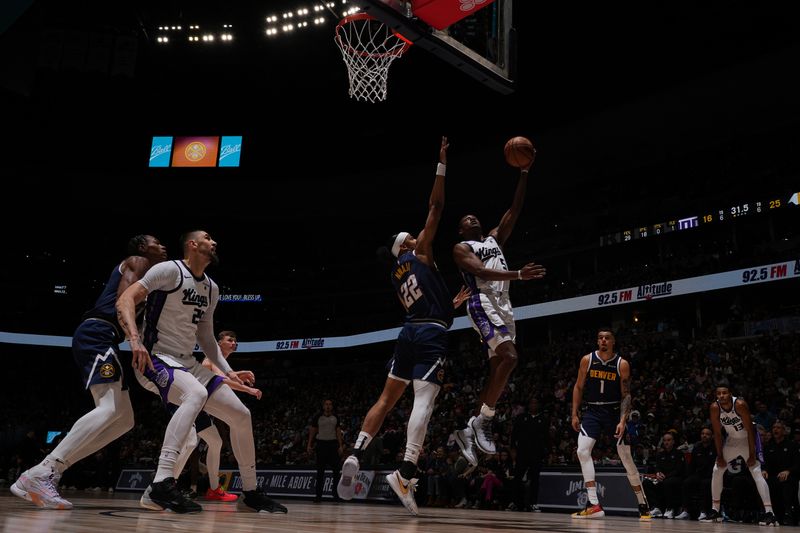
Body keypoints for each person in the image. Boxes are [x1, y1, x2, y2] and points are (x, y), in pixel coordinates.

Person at [336, 136, 468, 515]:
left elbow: (420, 302)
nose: (418, 234)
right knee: (424, 399)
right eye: (411, 236)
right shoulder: (421, 252)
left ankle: (357, 452)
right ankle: (406, 470)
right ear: (407, 245)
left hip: (410, 330)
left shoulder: (397, 273)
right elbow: (436, 206)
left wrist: (447, 305)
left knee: (386, 399)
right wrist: (441, 164)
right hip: (429, 333)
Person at [116, 230, 287, 514]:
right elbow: (126, 299)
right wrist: (134, 340)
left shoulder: (211, 288)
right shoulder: (169, 270)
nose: (214, 242)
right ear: (192, 245)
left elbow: (206, 338)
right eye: (208, 238)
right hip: (155, 358)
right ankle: (161, 482)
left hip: (187, 363)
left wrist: (229, 372)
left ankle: (252, 492)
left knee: (241, 415)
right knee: (194, 395)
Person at [11, 235, 167, 510]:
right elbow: (123, 303)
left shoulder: (150, 278)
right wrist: (135, 338)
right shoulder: (138, 261)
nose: (163, 246)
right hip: (98, 333)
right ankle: (42, 471)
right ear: (143, 247)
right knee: (108, 408)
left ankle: (50, 472)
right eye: (156, 242)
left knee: (124, 419)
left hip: (105, 337)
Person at [450, 153, 545, 463]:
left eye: (474, 217)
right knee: (511, 357)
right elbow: (481, 273)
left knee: (496, 373)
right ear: (461, 231)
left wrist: (525, 173)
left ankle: (469, 430)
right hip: (482, 301)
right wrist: (518, 274)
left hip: (505, 306)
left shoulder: (494, 238)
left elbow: (514, 210)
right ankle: (483, 420)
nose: (472, 219)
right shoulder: (462, 248)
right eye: (466, 220)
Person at [570, 328, 651, 520]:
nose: (603, 340)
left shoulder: (621, 364)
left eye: (607, 338)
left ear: (613, 341)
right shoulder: (587, 360)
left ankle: (642, 503)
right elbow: (579, 386)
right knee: (582, 451)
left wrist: (623, 421)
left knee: (626, 458)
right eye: (600, 338)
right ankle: (594, 505)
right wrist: (574, 413)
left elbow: (626, 394)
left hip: (613, 412)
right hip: (592, 412)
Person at [172, 330, 262, 501]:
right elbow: (220, 382)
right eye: (230, 340)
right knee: (190, 444)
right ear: (219, 343)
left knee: (214, 442)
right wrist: (248, 389)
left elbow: (224, 379)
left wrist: (238, 376)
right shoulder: (211, 358)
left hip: (202, 407)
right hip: (190, 403)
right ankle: (167, 483)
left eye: (235, 341)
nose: (234, 343)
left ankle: (213, 488)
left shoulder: (221, 362)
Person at [701, 382, 776, 525]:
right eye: (718, 394)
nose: (721, 396)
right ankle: (715, 511)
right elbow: (717, 434)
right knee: (717, 469)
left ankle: (770, 513)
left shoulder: (740, 404)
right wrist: (720, 456)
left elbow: (750, 430)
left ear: (730, 394)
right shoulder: (715, 408)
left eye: (724, 393)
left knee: (756, 471)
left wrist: (752, 454)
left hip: (748, 439)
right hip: (732, 441)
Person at [508, 397, 547, 512]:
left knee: (535, 479)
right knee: (517, 478)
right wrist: (513, 449)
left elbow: (546, 438)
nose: (533, 405)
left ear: (539, 405)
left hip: (536, 454)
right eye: (531, 403)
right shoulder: (521, 418)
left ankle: (533, 503)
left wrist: (547, 452)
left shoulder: (543, 419)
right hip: (522, 453)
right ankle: (515, 502)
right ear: (528, 405)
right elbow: (514, 435)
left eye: (536, 403)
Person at [307, 399, 344, 502]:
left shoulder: (336, 417)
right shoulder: (317, 417)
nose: (328, 406)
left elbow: (338, 432)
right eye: (326, 404)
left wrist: (340, 446)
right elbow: (313, 431)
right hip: (321, 445)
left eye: (330, 404)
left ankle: (335, 495)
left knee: (336, 472)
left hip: (332, 445)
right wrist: (309, 444)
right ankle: (318, 496)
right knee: (320, 473)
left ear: (332, 406)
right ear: (323, 406)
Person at [642, 431, 686, 518]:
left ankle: (670, 508)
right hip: (662, 478)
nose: (666, 442)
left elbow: (678, 470)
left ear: (673, 441)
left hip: (675, 478)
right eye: (665, 440)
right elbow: (657, 467)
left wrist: (665, 477)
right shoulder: (660, 454)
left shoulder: (679, 453)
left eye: (669, 440)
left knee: (668, 482)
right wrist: (658, 473)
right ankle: (655, 508)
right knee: (646, 483)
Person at [763, 421, 798, 525]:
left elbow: (797, 463)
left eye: (778, 428)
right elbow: (765, 463)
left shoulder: (792, 445)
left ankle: (788, 514)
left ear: (784, 431)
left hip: (789, 476)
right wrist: (764, 470)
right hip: (773, 476)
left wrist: (788, 471)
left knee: (786, 483)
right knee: (762, 482)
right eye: (774, 427)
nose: (775, 430)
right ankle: (767, 513)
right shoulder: (769, 446)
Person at [680, 426, 716, 520]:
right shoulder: (697, 447)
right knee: (687, 482)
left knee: (705, 484)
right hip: (699, 475)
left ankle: (703, 511)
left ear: (712, 436)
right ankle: (685, 510)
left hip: (711, 476)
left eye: (707, 434)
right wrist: (689, 475)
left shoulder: (715, 448)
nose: (704, 436)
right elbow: (692, 464)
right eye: (703, 434)